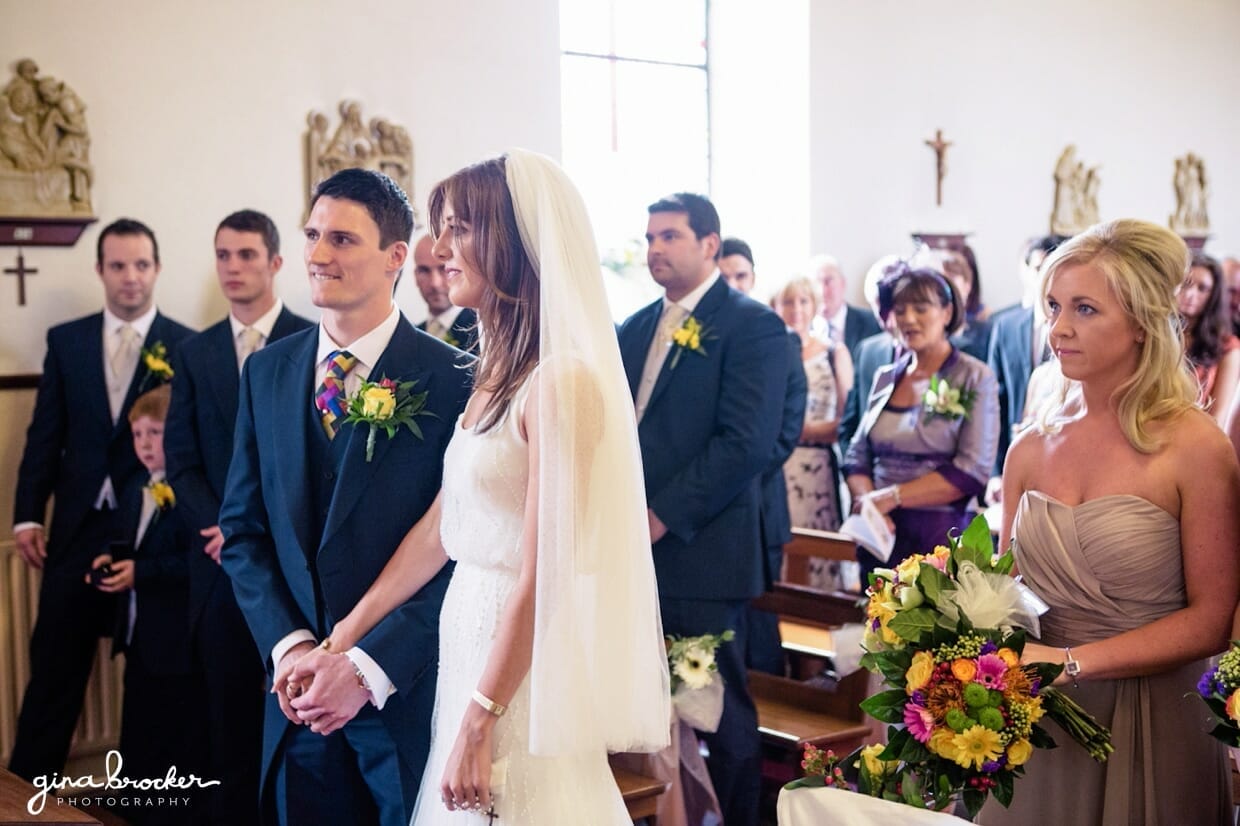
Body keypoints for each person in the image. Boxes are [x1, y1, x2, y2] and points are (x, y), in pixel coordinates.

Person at [293, 150, 669, 824]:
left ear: (514, 242)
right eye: (445, 227)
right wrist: (339, 640)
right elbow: (440, 530)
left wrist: (482, 716)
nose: (441, 249)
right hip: (466, 636)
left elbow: (543, 573)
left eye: (462, 229)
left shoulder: (563, 382)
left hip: (515, 662)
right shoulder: (495, 373)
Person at [218, 169, 471, 826]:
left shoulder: (453, 382)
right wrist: (292, 646)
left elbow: (467, 552)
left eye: (341, 239)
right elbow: (242, 532)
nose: (317, 254)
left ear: (394, 256)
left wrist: (366, 666)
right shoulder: (268, 372)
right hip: (298, 701)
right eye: (311, 235)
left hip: (404, 693)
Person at [980, 219, 1239, 824]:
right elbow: (1006, 595)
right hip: (1038, 721)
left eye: (1085, 309)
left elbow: (1212, 621)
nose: (1058, 327)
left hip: (1155, 720)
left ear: (1142, 322)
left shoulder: (1194, 448)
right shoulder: (1029, 449)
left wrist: (1070, 662)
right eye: (1053, 306)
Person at [618, 191, 788, 825]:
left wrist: (658, 517)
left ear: (710, 244)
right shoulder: (634, 326)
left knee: (714, 709)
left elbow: (745, 444)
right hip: (632, 554)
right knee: (650, 709)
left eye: (669, 236)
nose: (655, 248)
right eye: (650, 237)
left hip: (701, 553)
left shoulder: (752, 326)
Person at [9, 218, 193, 782]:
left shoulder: (187, 345)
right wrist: (24, 515)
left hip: (151, 532)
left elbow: (191, 451)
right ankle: (24, 796)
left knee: (152, 674)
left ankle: (151, 799)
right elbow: (45, 435)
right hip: (75, 530)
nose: (130, 278)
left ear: (157, 269)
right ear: (100, 271)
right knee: (54, 670)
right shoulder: (67, 341)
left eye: (141, 265)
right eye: (118, 266)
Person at [164, 208, 313, 825]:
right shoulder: (193, 353)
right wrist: (226, 531)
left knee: (302, 726)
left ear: (276, 262)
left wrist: (263, 530)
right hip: (222, 567)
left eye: (246, 255)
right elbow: (182, 460)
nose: (233, 267)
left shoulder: (311, 338)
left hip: (295, 567)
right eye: (223, 255)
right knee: (227, 723)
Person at [88, 385, 202, 825]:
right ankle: (136, 806)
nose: (146, 444)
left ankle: (170, 811)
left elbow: (193, 561)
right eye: (138, 435)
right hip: (138, 632)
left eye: (155, 433)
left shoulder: (189, 492)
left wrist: (143, 572)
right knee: (138, 727)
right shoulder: (137, 485)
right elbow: (131, 542)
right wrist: (111, 560)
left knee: (175, 730)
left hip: (176, 637)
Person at [842, 263, 998, 577]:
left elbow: (972, 469)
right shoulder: (886, 377)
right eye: (900, 310)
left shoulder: (974, 376)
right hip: (881, 534)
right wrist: (870, 505)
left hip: (940, 537)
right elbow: (856, 455)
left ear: (946, 312)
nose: (908, 319)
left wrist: (891, 497)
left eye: (921, 308)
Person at [716, 237, 808, 674]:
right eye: (723, 275)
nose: (732, 283)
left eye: (740, 276)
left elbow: (785, 431)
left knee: (761, 617)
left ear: (753, 280)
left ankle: (766, 724)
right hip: (710, 511)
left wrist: (732, 476)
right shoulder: (707, 336)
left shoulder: (778, 339)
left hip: (759, 503)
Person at [773, 276, 853, 533]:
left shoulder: (833, 352)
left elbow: (848, 419)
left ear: (814, 305)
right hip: (777, 465)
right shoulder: (768, 354)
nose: (796, 309)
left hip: (818, 465)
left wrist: (796, 430)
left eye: (803, 301)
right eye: (788, 302)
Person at [986, 235, 1067, 483]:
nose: (1047, 275)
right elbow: (994, 403)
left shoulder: (1079, 326)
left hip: (1064, 453)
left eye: (1056, 267)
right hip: (1016, 451)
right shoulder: (1006, 326)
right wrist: (995, 473)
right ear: (1026, 272)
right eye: (1039, 267)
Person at [1178, 253, 1239, 425]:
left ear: (1213, 295)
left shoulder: (1227, 346)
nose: (1190, 294)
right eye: (1186, 284)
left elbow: (1219, 416)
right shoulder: (1156, 335)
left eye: (1202, 288)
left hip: (1199, 436)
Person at [411, 232, 479, 354]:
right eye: (424, 271)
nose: (435, 283)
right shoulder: (409, 335)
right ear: (416, 276)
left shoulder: (481, 330)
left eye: (443, 269)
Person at [811, 254, 881, 358]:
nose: (822, 291)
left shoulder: (872, 323)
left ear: (843, 283)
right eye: (816, 283)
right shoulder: (802, 330)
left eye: (828, 281)